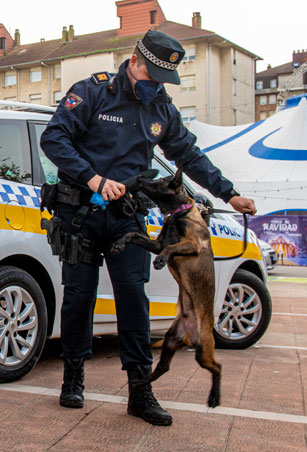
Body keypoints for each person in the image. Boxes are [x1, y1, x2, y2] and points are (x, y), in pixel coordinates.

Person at [40, 30, 257, 426]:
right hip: (81, 214)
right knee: (78, 299)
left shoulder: (161, 107)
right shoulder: (93, 92)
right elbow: (53, 138)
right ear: (136, 60)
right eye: (153, 74)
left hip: (128, 218)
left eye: (163, 78)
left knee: (133, 301)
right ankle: (73, 379)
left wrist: (230, 194)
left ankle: (140, 392)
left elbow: (187, 153)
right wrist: (93, 179)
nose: (157, 84)